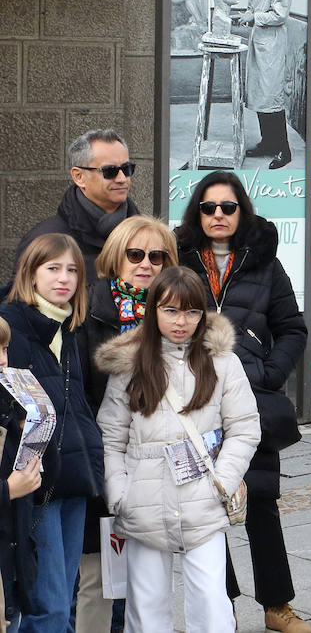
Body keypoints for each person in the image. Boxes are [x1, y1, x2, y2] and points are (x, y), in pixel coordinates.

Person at [175, 171, 311, 633]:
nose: (218, 215)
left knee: (262, 501)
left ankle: (277, 607)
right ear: (197, 212)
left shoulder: (265, 265)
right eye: (209, 207)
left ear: (241, 211)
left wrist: (271, 373)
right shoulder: (179, 263)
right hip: (192, 405)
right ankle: (223, 604)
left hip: (250, 401)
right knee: (207, 509)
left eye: (227, 207)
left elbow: (293, 327)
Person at [95, 267, 260, 633]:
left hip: (204, 498)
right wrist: (119, 491)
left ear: (203, 313)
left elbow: (245, 428)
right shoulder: (132, 364)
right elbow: (110, 434)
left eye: (191, 311)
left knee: (212, 605)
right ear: (153, 311)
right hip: (143, 500)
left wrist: (223, 480)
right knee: (147, 608)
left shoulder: (223, 362)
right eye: (170, 310)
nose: (181, 321)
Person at [76, 216, 178, 631]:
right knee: (99, 579)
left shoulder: (179, 313)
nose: (146, 264)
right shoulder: (88, 312)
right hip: (105, 459)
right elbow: (81, 389)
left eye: (157, 256)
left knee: (149, 578)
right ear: (117, 257)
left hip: (163, 464)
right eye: (136, 254)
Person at [1, 234, 104, 633]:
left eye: (73, 270)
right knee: (49, 607)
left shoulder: (68, 327)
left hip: (74, 477)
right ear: (30, 272)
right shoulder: (11, 324)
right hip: (32, 482)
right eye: (53, 268)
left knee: (61, 602)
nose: (64, 278)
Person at [21, 129, 140, 281]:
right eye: (109, 171)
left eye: (127, 169)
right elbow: (24, 298)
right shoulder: (43, 239)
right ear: (79, 177)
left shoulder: (148, 238)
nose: (122, 178)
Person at [234, 0, 295, 169]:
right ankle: (268, 142)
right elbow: (253, 6)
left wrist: (255, 16)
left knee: (272, 99)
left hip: (272, 46)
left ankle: (284, 150)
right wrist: (247, 16)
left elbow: (280, 15)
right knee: (260, 96)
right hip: (259, 42)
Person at [0, 315, 43, 628]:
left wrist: (36, 426)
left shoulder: (9, 404)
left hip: (13, 568)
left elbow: (43, 479)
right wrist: (8, 490)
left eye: (4, 350)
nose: (3, 361)